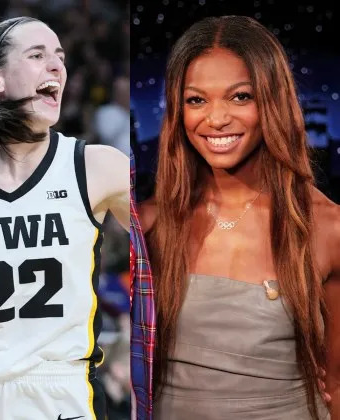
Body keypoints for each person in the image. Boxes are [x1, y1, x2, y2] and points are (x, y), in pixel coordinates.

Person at [0, 16, 139, 420]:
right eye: (37, 55)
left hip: (58, 389)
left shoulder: (96, 167)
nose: (56, 65)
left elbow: (175, 252)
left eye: (59, 56)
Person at [138, 16, 340, 419]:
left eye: (240, 97)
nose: (216, 119)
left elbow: (335, 380)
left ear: (273, 100)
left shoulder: (327, 227)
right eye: (196, 100)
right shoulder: (151, 222)